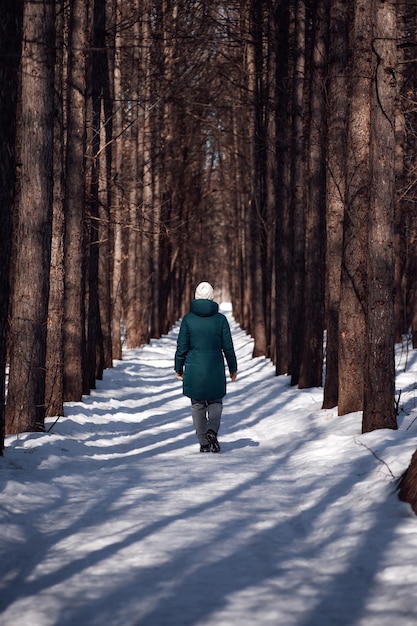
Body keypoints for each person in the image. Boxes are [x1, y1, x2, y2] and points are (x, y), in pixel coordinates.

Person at [174, 281, 238, 453]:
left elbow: (182, 346)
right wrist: (233, 368)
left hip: (194, 368)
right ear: (212, 297)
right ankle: (212, 431)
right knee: (216, 401)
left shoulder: (188, 319)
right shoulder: (221, 319)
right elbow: (228, 346)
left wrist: (178, 367)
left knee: (197, 404)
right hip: (215, 367)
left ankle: (203, 442)